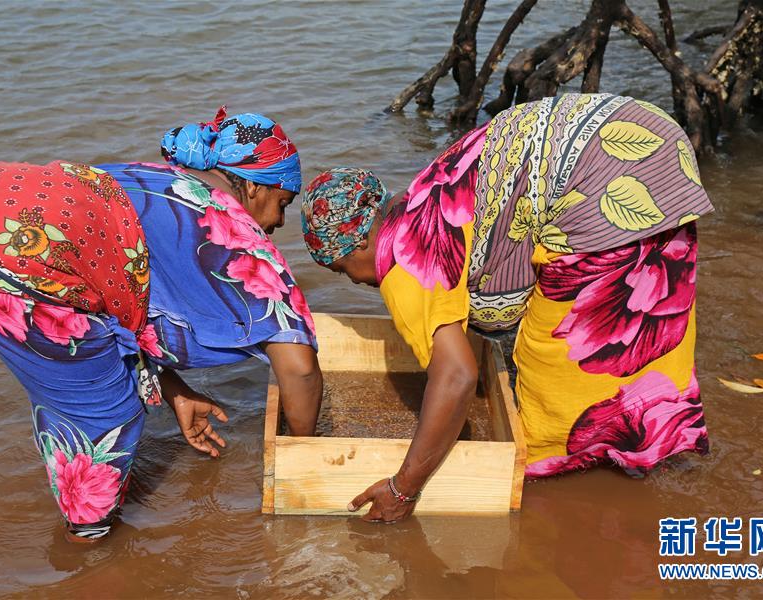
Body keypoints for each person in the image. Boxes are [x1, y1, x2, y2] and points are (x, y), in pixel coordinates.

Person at [301, 93, 711, 523]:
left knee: (558, 359)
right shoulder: (424, 196)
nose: (359, 281)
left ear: (362, 241)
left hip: (603, 176)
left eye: (344, 269)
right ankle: (646, 448)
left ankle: (575, 487)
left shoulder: (403, 256)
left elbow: (458, 376)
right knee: (645, 309)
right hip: (646, 138)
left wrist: (403, 488)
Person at [0, 106, 323, 541]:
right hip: (13, 256)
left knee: (83, 378)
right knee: (107, 413)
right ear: (254, 186)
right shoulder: (231, 228)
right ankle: (88, 544)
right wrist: (305, 451)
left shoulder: (153, 177)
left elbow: (113, 305)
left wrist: (173, 390)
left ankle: (83, 520)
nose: (277, 223)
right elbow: (298, 365)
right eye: (282, 204)